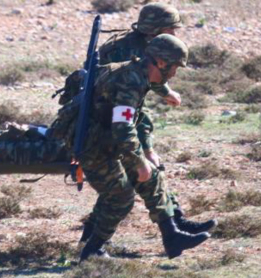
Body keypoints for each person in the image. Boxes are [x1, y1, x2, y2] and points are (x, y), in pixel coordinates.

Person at [77, 34, 209, 261]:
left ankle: (172, 236)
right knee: (121, 195)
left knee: (152, 176)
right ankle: (92, 250)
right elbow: (123, 128)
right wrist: (139, 162)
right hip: (92, 145)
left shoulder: (139, 70)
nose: (175, 73)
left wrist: (167, 94)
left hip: (105, 139)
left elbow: (155, 84)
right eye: (174, 67)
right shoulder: (131, 82)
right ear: (160, 62)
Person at [95, 3, 214, 238]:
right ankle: (172, 226)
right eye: (171, 29)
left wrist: (166, 92)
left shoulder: (146, 45)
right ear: (157, 29)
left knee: (138, 175)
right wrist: (145, 149)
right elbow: (129, 106)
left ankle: (174, 223)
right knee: (133, 176)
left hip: (118, 117)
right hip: (104, 121)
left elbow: (150, 79)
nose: (175, 35)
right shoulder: (126, 50)